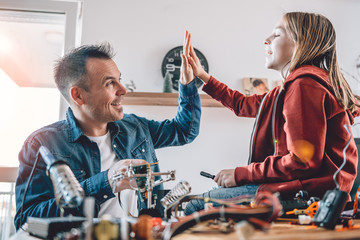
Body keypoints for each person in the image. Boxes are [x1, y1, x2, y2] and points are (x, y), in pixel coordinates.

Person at [183, 12, 360, 215]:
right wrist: (202, 75)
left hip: (307, 195)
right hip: (318, 192)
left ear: (300, 44)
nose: (266, 40)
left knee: (196, 205)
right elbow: (242, 104)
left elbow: (302, 161)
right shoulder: (298, 87)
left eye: (276, 35)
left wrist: (241, 174)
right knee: (213, 195)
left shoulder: (304, 86)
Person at [14, 41, 200, 229]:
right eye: (110, 83)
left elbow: (184, 131)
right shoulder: (42, 144)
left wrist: (187, 83)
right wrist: (106, 182)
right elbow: (26, 221)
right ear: (78, 96)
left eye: (119, 79)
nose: (123, 90)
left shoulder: (135, 127)